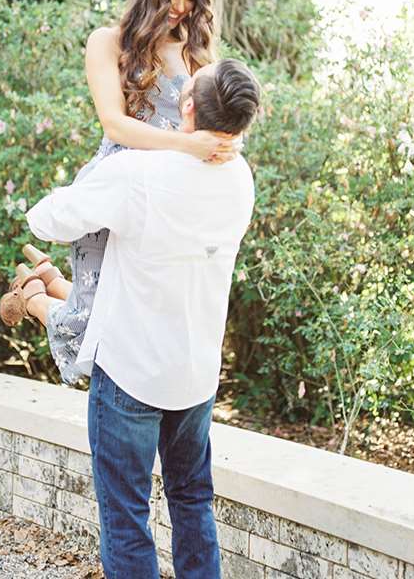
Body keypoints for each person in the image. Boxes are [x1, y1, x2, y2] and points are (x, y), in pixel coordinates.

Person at [19, 58, 261, 579]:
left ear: (187, 105)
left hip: (131, 373)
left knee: (127, 517)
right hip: (195, 376)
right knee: (193, 501)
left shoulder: (140, 173)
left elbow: (46, 220)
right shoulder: (242, 179)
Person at [0, 0, 241, 382]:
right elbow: (115, 125)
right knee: (92, 321)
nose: (180, 8)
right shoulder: (108, 43)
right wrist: (190, 147)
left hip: (167, 197)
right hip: (114, 189)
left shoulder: (196, 52)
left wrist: (227, 146)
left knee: (132, 316)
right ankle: (35, 295)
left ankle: (49, 278)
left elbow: (214, 118)